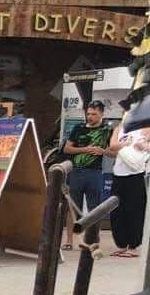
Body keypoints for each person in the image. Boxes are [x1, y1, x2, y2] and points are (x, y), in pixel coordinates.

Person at [63, 102, 111, 244]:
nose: (90, 117)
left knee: (94, 207)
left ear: (101, 114)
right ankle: (69, 239)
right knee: (72, 206)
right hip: (77, 171)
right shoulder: (79, 128)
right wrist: (84, 149)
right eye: (88, 114)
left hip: (95, 172)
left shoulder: (107, 130)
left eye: (93, 114)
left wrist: (103, 151)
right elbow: (67, 149)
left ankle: (92, 238)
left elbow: (114, 152)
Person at [107, 111, 150, 257]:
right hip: (119, 174)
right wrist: (124, 144)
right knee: (117, 211)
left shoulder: (145, 127)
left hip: (135, 174)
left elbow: (147, 146)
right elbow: (112, 146)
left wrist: (143, 145)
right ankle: (121, 243)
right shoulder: (119, 129)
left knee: (135, 210)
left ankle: (133, 245)